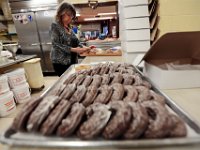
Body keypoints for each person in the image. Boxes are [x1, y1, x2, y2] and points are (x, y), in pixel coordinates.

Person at [50, 2, 91, 76]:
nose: (71, 17)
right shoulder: (55, 26)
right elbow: (56, 45)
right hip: (61, 62)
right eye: (69, 15)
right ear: (61, 13)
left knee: (74, 79)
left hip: (72, 60)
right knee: (67, 81)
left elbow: (77, 42)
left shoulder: (69, 27)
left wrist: (86, 48)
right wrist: (75, 50)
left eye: (72, 15)